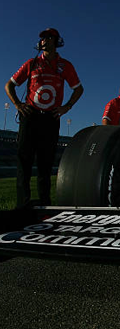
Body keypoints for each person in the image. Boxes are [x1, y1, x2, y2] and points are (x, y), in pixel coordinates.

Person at [5, 28, 84, 207]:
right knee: (24, 161)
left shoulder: (65, 65)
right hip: (30, 116)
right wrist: (18, 104)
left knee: (45, 163)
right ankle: (22, 204)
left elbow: (79, 89)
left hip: (50, 118)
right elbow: (9, 85)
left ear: (56, 41)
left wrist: (67, 107)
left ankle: (44, 204)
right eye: (42, 38)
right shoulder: (31, 63)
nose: (43, 41)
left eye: (48, 38)